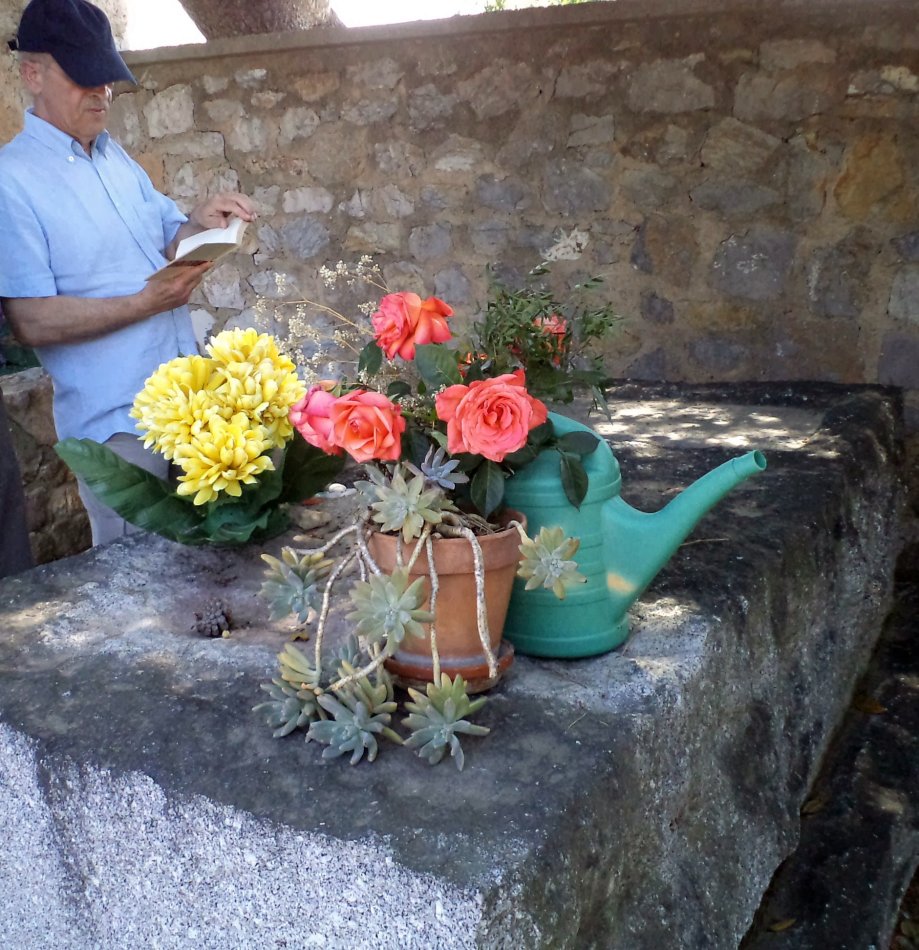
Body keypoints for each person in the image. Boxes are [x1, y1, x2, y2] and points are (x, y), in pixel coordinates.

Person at [0, 0, 257, 546]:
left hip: (186, 403)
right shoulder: (10, 181)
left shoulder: (114, 158)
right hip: (117, 427)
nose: (102, 92)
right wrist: (145, 303)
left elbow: (169, 239)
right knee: (134, 585)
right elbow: (31, 321)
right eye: (84, 77)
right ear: (32, 74)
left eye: (107, 78)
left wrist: (200, 224)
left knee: (209, 571)